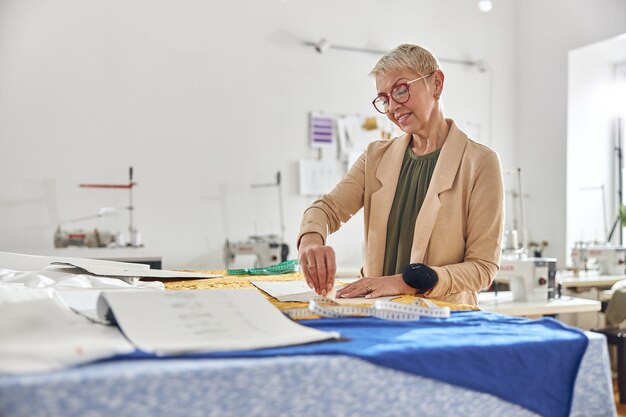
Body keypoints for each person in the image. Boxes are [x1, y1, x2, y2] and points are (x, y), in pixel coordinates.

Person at [297, 43, 504, 306]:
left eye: (401, 90)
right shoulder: (376, 158)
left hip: (446, 319)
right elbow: (326, 209)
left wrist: (407, 283)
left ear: (436, 84)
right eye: (384, 99)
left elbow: (483, 268)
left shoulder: (480, 163)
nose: (393, 107)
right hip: (379, 316)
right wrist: (311, 241)